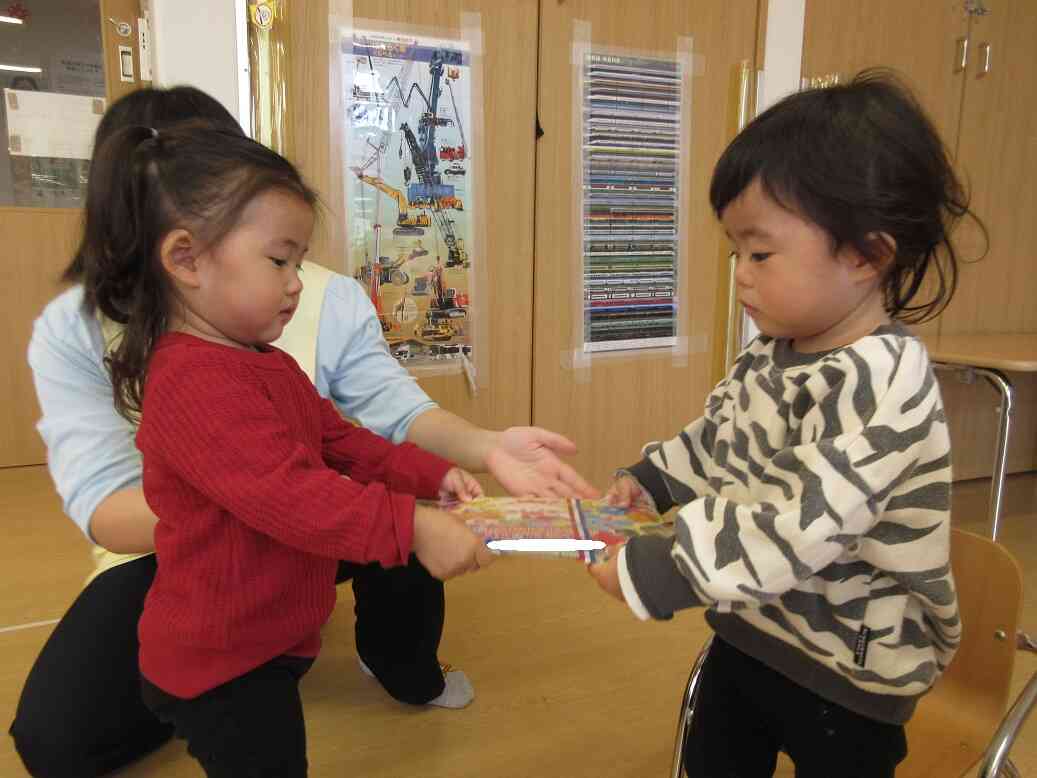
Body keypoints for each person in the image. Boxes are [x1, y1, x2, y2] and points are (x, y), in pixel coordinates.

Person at [10, 86, 596, 778]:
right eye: (279, 260)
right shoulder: (191, 382)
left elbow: (343, 443)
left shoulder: (261, 358)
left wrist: (434, 475)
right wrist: (412, 525)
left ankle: (400, 663)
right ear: (186, 258)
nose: (296, 283)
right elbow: (290, 493)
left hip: (261, 617)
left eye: (297, 260)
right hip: (217, 656)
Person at [588, 70, 981, 777]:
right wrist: (650, 483)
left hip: (849, 672)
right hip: (753, 629)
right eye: (735, 250)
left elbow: (802, 521)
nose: (739, 274)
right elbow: (718, 441)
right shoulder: (771, 356)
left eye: (760, 252)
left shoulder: (883, 378)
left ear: (865, 254)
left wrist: (659, 565)